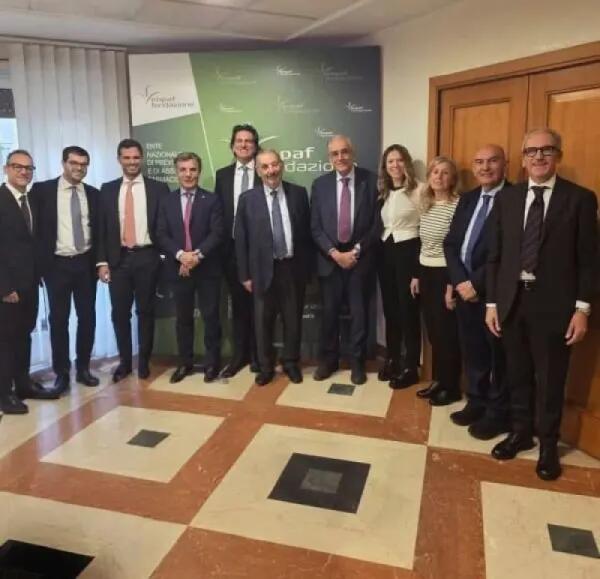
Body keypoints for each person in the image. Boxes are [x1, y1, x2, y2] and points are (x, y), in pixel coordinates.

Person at [486, 128, 598, 480]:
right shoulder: (507, 198)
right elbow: (495, 256)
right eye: (531, 151)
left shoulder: (579, 199)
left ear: (558, 156)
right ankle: (521, 433)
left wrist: (582, 309)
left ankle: (548, 444)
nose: (538, 156)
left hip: (555, 307)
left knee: (550, 379)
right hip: (512, 302)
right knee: (517, 373)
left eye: (546, 150)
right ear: (522, 159)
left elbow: (589, 261)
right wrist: (492, 303)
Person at [443, 144, 510, 439]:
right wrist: (459, 282)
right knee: (473, 352)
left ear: (505, 164)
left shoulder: (515, 198)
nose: (485, 167)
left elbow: (510, 252)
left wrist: (476, 283)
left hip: (496, 294)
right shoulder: (468, 199)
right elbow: (451, 244)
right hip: (464, 292)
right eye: (479, 162)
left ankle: (498, 414)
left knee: (500, 357)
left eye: (492, 161)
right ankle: (476, 402)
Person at [235, 149, 312, 386]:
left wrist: (307, 270)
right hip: (261, 271)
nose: (271, 170)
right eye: (265, 167)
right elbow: (241, 240)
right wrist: (245, 275)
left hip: (292, 268)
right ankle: (266, 366)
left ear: (282, 165)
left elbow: (306, 235)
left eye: (275, 164)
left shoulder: (299, 194)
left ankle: (291, 363)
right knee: (262, 322)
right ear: (258, 171)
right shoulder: (247, 199)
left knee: (293, 320)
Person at [96, 139, 169, 382]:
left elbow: (164, 226)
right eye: (127, 158)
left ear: (142, 158)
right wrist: (102, 262)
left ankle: (144, 362)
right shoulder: (107, 189)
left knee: (146, 312)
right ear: (119, 159)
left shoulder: (159, 188)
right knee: (119, 314)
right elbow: (102, 229)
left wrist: (161, 256)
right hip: (118, 260)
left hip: (148, 257)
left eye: (136, 157)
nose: (132, 162)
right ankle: (125, 363)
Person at [310, 135, 380, 385]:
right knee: (329, 315)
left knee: (359, 315)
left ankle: (357, 362)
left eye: (344, 152)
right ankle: (328, 361)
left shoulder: (371, 181)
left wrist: (356, 251)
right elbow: (315, 227)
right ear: (329, 157)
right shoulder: (320, 185)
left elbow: (377, 224)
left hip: (359, 259)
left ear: (353, 152)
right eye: (335, 153)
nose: (340, 157)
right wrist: (334, 253)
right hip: (330, 260)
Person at [31, 146, 100, 395]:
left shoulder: (93, 194)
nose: (79, 168)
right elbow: (33, 230)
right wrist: (38, 266)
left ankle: (83, 368)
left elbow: (99, 231)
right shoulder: (42, 191)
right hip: (56, 266)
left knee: (87, 318)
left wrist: (100, 262)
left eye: (84, 164)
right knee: (58, 320)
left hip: (85, 264)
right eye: (74, 163)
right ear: (63, 164)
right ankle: (61, 373)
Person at [157, 152, 224, 383]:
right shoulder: (166, 201)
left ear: (199, 171)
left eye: (192, 169)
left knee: (211, 318)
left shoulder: (212, 200)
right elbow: (161, 234)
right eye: (183, 170)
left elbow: (217, 233)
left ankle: (212, 363)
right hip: (178, 269)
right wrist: (181, 256)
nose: (188, 174)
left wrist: (197, 256)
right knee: (183, 319)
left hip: (207, 269)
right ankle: (184, 363)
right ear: (176, 172)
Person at [0, 150, 59, 414]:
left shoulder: (32, 200)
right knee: (5, 341)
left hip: (31, 283)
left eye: (28, 168)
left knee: (24, 336)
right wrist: (4, 286)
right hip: (8, 288)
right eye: (18, 167)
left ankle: (23, 385)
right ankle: (4, 394)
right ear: (6, 169)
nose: (24, 172)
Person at [412, 156, 461, 405]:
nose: (439, 177)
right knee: (433, 333)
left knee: (447, 334)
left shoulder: (459, 206)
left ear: (453, 179)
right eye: (435, 172)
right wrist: (417, 275)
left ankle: (451, 388)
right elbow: (423, 244)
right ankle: (440, 381)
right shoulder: (427, 203)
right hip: (427, 272)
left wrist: (452, 286)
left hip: (446, 275)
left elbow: (457, 249)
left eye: (445, 173)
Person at [215, 124, 262, 377]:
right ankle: (239, 355)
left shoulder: (265, 171)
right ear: (232, 146)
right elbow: (219, 215)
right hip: (232, 251)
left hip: (260, 251)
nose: (244, 145)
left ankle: (258, 355)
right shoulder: (222, 175)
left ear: (255, 146)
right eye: (239, 141)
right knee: (238, 306)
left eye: (249, 141)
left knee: (260, 306)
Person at [377, 144, 424, 389]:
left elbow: (425, 230)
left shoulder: (420, 190)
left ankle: (411, 366)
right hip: (386, 252)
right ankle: (393, 358)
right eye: (390, 161)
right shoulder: (384, 193)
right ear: (385, 167)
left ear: (406, 162)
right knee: (391, 310)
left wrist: (417, 272)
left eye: (399, 160)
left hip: (409, 252)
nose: (395, 165)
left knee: (409, 311)